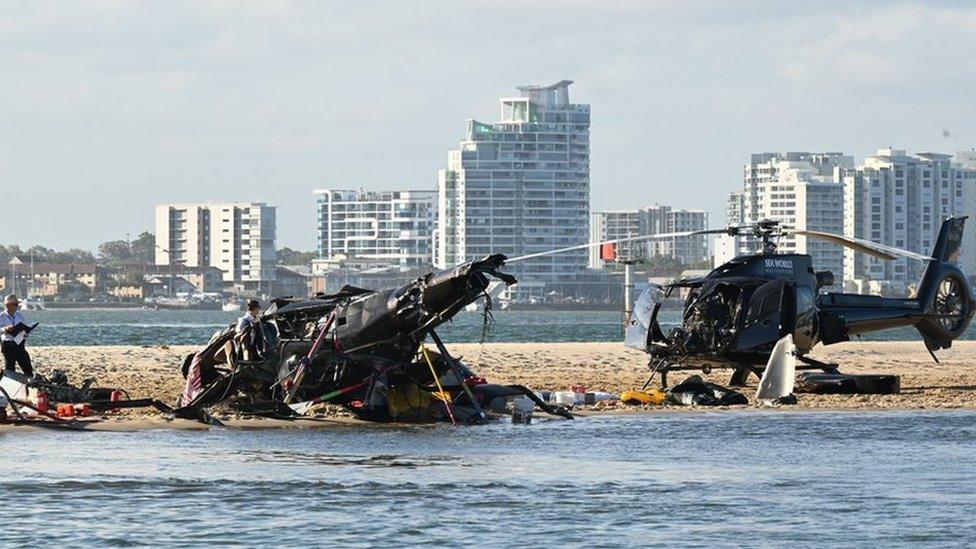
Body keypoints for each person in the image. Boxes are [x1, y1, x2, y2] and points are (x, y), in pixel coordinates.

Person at [0, 294, 34, 377]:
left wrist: (25, 334)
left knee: (27, 368)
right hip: (8, 345)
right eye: (15, 304)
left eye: (17, 304)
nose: (17, 306)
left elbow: (22, 329)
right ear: (8, 305)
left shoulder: (19, 316)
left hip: (20, 344)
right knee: (10, 370)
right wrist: (5, 329)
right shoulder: (1, 316)